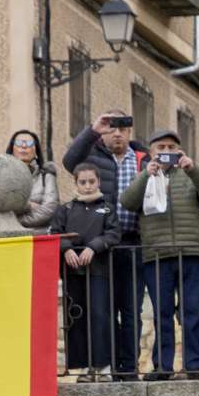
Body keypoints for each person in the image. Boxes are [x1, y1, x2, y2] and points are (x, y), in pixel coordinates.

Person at [121, 130, 199, 379]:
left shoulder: (189, 175)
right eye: (160, 148)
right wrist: (147, 174)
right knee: (162, 314)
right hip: (156, 255)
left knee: (192, 312)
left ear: (179, 151)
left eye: (171, 147)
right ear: (152, 152)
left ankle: (196, 365)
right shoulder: (144, 176)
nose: (166, 152)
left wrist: (193, 169)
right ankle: (163, 366)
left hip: (191, 253)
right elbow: (127, 202)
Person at [60, 110, 146, 379]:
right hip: (99, 251)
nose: (117, 132)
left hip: (132, 243)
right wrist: (92, 130)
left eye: (123, 127)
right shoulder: (92, 156)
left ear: (130, 131)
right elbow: (69, 160)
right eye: (111, 128)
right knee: (101, 310)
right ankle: (103, 364)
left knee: (131, 309)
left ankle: (128, 368)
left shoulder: (143, 158)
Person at [50, 161, 120, 375]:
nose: (88, 186)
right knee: (76, 317)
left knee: (100, 316)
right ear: (76, 184)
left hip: (99, 271)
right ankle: (81, 367)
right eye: (83, 182)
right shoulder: (66, 209)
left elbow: (113, 234)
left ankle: (103, 365)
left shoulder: (108, 208)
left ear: (98, 182)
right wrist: (66, 250)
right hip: (73, 273)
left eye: (91, 181)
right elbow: (55, 233)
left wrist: (93, 247)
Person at [4, 128, 59, 227]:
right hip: (9, 236)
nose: (24, 146)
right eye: (19, 143)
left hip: (39, 235)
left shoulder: (46, 174)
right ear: (12, 149)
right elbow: (2, 206)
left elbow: (50, 209)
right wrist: (29, 206)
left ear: (35, 151)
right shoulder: (2, 175)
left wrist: (17, 221)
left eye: (29, 143)